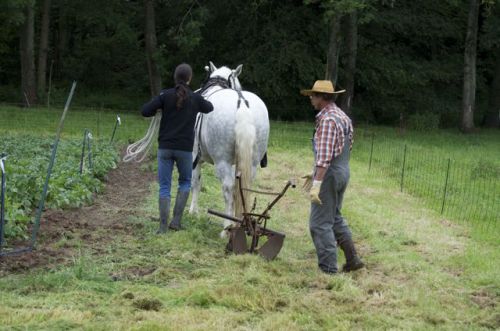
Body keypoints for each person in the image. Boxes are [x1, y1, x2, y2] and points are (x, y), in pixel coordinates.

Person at [300, 80, 364, 274]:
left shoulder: (328, 120)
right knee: (334, 216)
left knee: (319, 223)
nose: (311, 98)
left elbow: (326, 156)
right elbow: (343, 148)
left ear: (322, 97)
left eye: (313, 95)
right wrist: (316, 172)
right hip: (342, 171)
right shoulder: (342, 116)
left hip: (329, 175)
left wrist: (317, 182)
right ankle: (352, 259)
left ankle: (328, 270)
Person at [142, 63, 214, 233]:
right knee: (185, 183)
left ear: (175, 78)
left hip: (165, 148)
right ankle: (176, 221)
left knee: (165, 186)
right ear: (189, 79)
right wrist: (200, 93)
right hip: (185, 150)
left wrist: (159, 106)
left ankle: (162, 227)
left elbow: (145, 111)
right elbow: (209, 108)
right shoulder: (195, 99)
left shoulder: (165, 95)